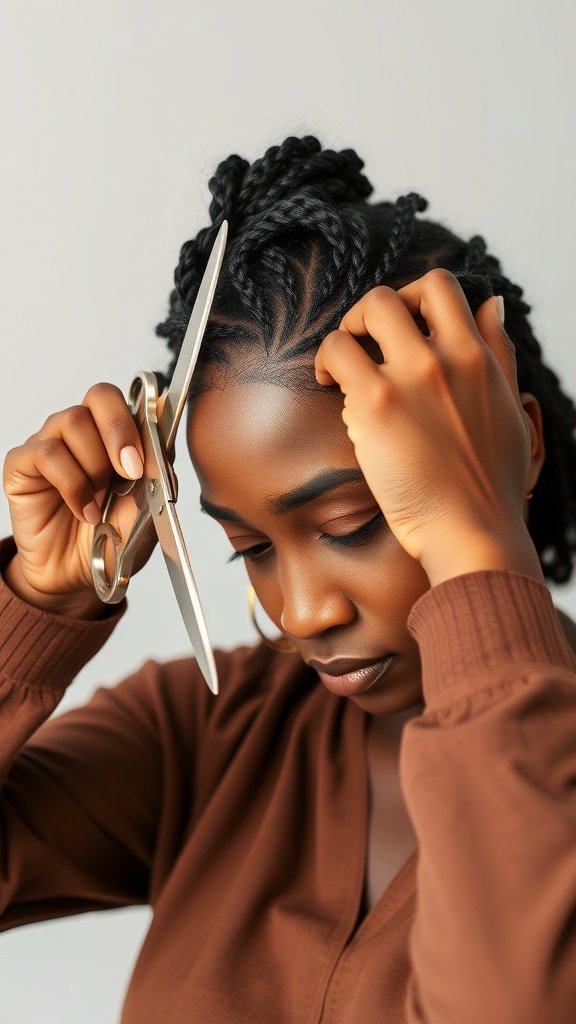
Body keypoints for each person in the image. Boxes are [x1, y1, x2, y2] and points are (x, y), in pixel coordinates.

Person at [2, 134, 576, 1023]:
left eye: (354, 526)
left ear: (516, 446)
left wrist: (477, 547)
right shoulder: (215, 733)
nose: (300, 613)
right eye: (250, 547)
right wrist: (40, 605)